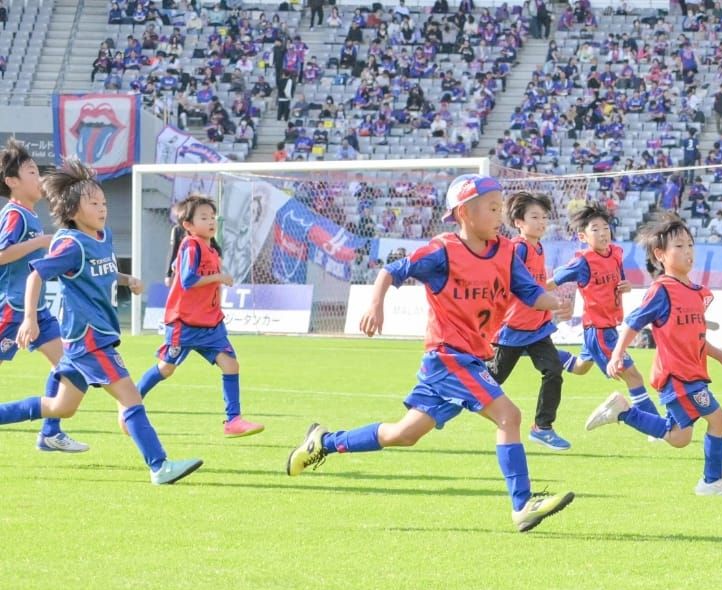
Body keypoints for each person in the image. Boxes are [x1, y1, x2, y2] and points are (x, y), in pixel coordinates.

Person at [285, 175, 576, 532]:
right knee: (509, 416)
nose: (500, 215)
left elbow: (529, 292)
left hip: (467, 358)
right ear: (465, 213)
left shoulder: (505, 251)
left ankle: (323, 443)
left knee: (404, 434)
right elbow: (391, 271)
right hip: (448, 357)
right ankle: (522, 504)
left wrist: (556, 303)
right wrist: (375, 305)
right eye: (493, 208)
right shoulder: (443, 251)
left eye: (500, 207)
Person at [0, 158, 202, 484]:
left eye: (104, 202)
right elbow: (35, 275)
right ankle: (159, 466)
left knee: (61, 407)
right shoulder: (70, 244)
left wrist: (125, 279)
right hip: (90, 339)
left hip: (84, 341)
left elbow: (102, 271)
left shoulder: (102, 235)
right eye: (93, 203)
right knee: (130, 396)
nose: (102, 208)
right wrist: (29, 320)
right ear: (71, 210)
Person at [584, 213, 722, 496]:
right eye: (679, 246)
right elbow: (633, 323)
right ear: (660, 255)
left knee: (679, 437)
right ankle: (712, 483)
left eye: (690, 245)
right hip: (678, 376)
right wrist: (617, 355)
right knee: (719, 420)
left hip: (692, 373)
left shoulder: (697, 293)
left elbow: (696, 338)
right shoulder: (662, 290)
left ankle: (623, 412)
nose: (688, 252)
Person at [130, 195, 264, 438]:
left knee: (231, 365)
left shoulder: (211, 248)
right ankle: (131, 401)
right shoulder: (191, 245)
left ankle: (233, 420)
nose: (211, 221)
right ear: (188, 225)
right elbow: (188, 280)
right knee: (166, 368)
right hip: (184, 323)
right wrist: (219, 277)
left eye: (212, 217)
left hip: (210, 324)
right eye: (204, 217)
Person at [0, 139, 88, 452]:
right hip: (11, 310)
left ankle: (50, 433)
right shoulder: (15, 214)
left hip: (36, 311)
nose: (39, 178)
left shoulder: (31, 215)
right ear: (12, 181)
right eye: (32, 172)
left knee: (69, 365)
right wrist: (41, 243)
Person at [549, 203, 662, 418]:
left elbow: (620, 282)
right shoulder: (582, 261)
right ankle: (655, 425)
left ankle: (536, 349)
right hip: (598, 330)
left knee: (580, 367)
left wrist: (626, 286)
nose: (602, 233)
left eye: (605, 228)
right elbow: (552, 282)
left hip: (609, 325)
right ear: (583, 236)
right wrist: (525, 292)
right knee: (634, 377)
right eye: (595, 229)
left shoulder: (616, 253)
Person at [488, 192, 575, 451]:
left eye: (544, 217)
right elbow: (506, 282)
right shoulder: (519, 248)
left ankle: (542, 427)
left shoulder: (538, 248)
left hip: (537, 328)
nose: (541, 222)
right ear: (518, 222)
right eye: (535, 217)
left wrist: (554, 302)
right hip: (513, 328)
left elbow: (537, 286)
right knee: (491, 380)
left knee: (554, 370)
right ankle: (447, 399)